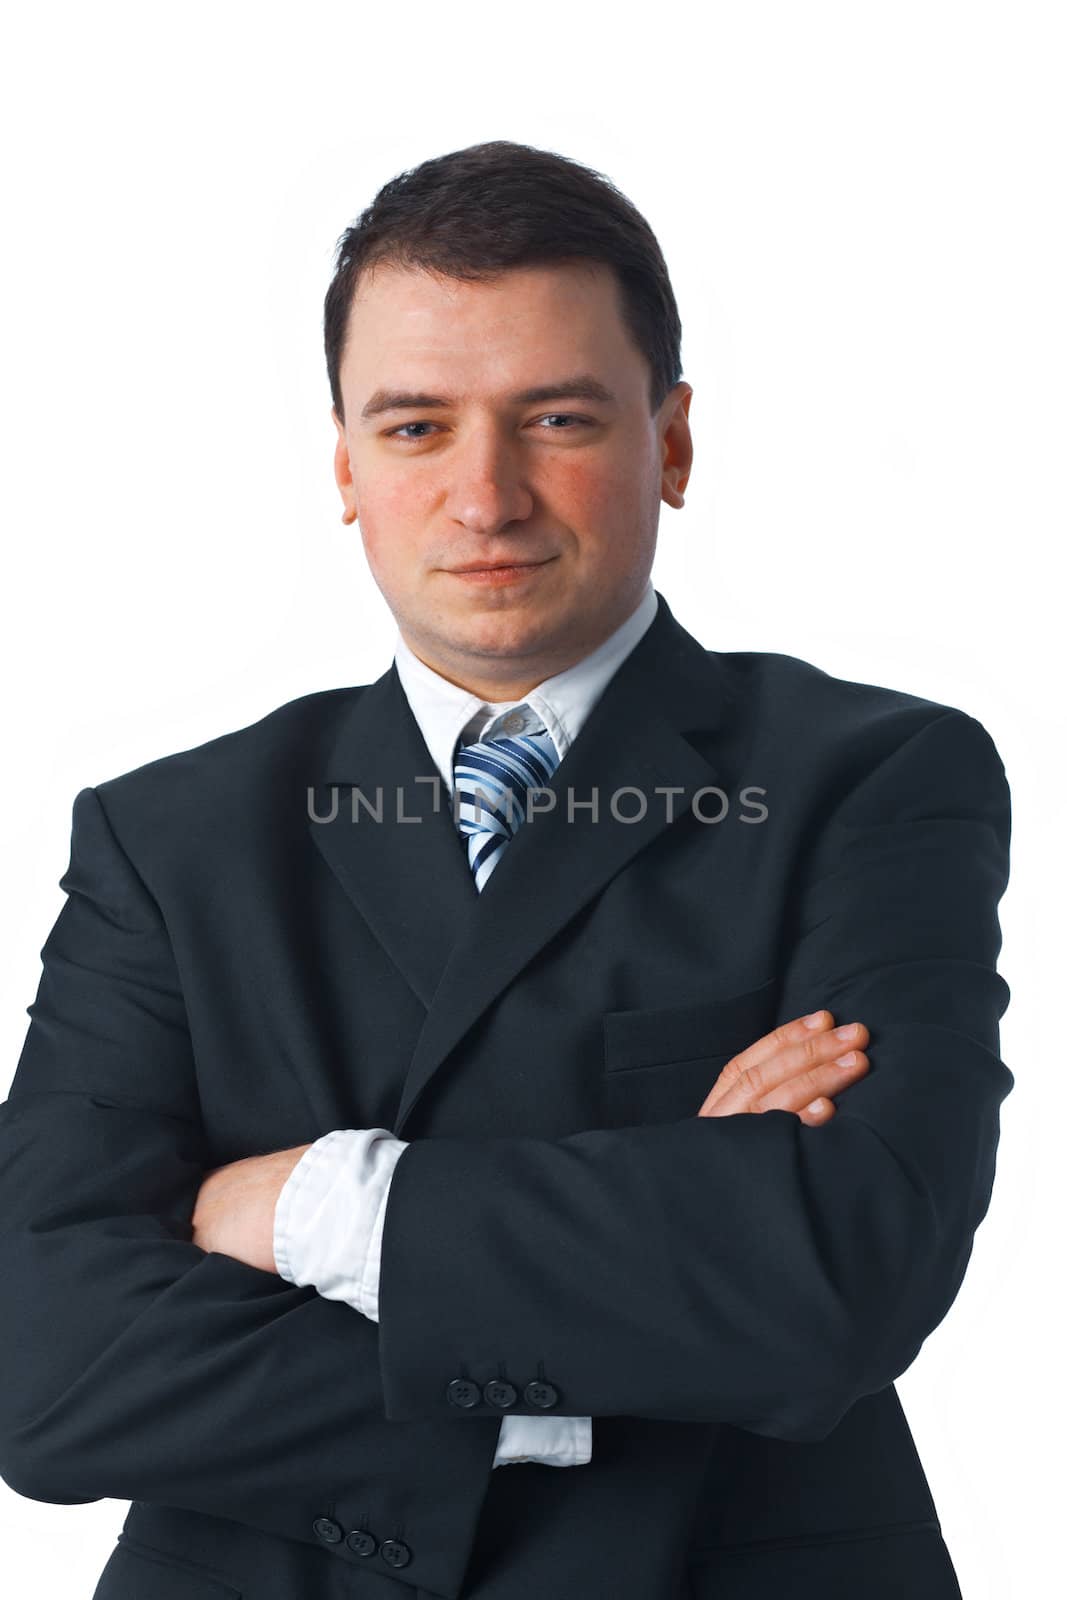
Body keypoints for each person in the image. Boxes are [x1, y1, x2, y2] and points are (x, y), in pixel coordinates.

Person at [0, 140, 1011, 1600]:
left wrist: (309, 1213)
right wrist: (635, 1289)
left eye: (554, 418)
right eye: (415, 428)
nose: (486, 497)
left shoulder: (870, 778)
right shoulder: (172, 839)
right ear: (345, 465)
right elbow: (43, 1359)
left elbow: (837, 1283)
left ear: (669, 442)